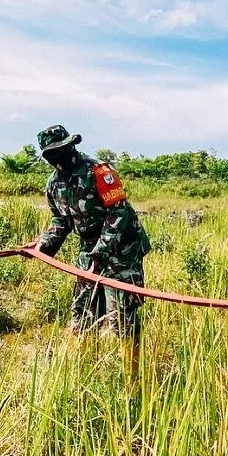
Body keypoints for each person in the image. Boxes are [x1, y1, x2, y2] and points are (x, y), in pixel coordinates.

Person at [30, 124, 151, 376]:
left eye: (61, 150)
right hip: (89, 249)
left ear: (71, 146)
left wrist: (100, 254)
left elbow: (118, 213)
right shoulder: (53, 184)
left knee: (121, 317)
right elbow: (60, 221)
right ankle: (85, 373)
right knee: (82, 311)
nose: (57, 157)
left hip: (122, 250)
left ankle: (133, 378)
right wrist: (44, 244)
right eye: (50, 154)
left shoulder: (99, 172)